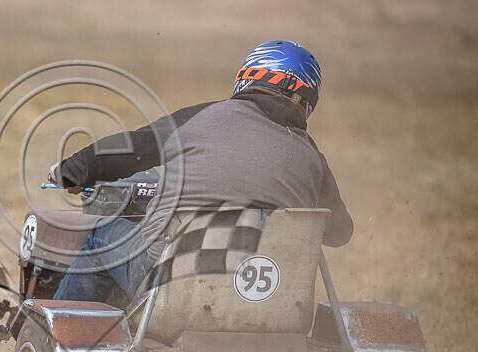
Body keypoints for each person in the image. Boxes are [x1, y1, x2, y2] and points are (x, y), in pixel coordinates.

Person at [49, 39, 353, 304]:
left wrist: (72, 171)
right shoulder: (312, 156)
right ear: (309, 99)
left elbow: (128, 150)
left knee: (102, 234)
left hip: (171, 291)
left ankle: (61, 335)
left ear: (249, 77)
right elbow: (340, 232)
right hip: (269, 297)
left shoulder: (200, 118)